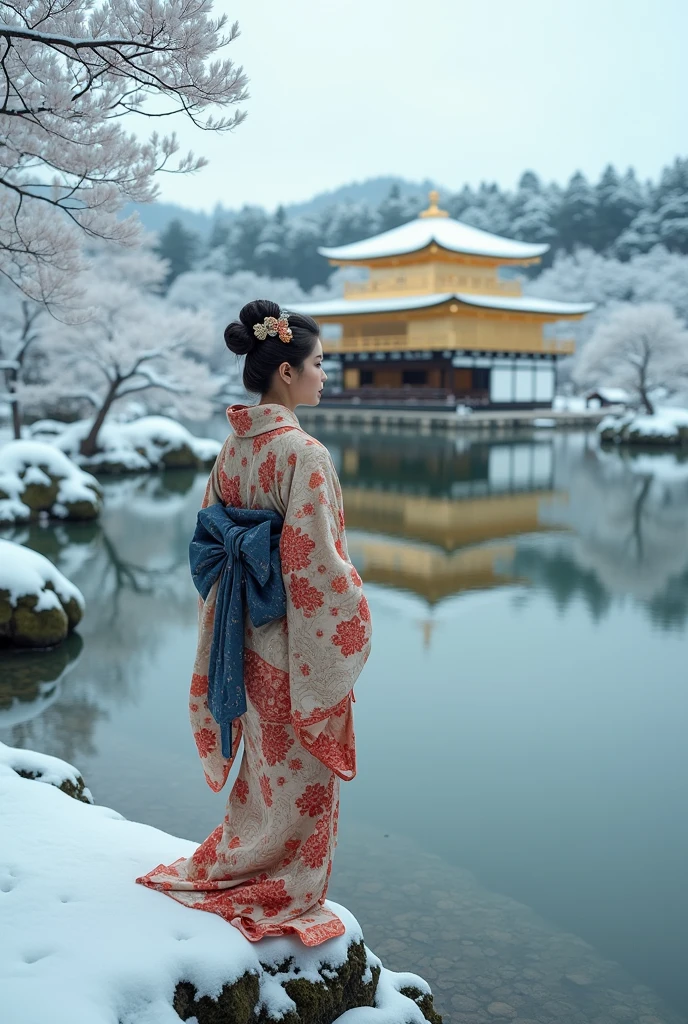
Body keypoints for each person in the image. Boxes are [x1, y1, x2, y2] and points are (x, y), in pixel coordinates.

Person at [136, 299, 372, 946]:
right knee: (302, 779)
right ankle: (286, 889)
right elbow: (313, 568)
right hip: (295, 647)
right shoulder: (305, 454)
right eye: (320, 363)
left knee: (265, 774)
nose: (327, 375)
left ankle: (244, 864)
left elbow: (210, 551)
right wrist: (352, 618)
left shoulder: (232, 450)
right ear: (287, 374)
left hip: (244, 638)